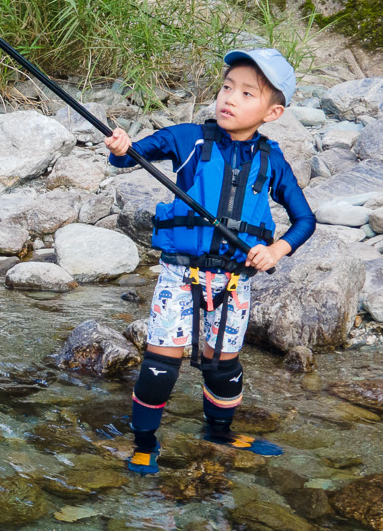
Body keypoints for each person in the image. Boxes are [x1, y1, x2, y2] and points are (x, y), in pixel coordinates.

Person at [103, 48, 318, 475]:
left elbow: (304, 219)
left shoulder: (272, 161)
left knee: (223, 369)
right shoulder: (188, 139)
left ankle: (218, 432)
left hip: (235, 282)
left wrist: (277, 250)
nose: (229, 98)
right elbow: (129, 156)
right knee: (161, 366)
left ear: (272, 112)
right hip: (181, 273)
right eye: (226, 87)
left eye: (245, 93)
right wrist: (120, 146)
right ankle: (144, 442)